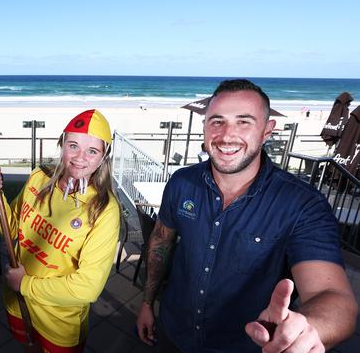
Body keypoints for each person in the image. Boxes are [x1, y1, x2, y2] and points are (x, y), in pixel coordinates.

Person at [135, 79, 358, 352]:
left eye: (244, 122)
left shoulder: (302, 205)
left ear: (267, 131)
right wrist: (147, 303)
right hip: (174, 334)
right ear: (205, 127)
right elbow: (161, 242)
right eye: (217, 121)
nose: (227, 135)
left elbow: (333, 296)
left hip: (245, 346)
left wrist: (310, 329)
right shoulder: (182, 183)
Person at [0, 109, 120, 352]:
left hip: (58, 322)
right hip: (18, 301)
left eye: (92, 151)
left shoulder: (104, 210)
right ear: (61, 144)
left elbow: (87, 287)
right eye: (73, 145)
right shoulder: (38, 178)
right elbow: (12, 227)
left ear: (103, 157)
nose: (80, 157)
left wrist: (25, 284)